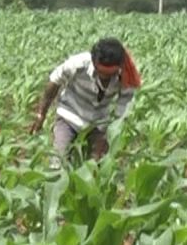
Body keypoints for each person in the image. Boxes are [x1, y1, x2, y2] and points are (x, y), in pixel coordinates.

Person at [28, 37, 141, 165]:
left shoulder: (126, 75)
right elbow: (55, 81)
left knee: (96, 166)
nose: (104, 77)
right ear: (94, 61)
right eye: (101, 72)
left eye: (109, 75)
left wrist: (112, 133)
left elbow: (124, 104)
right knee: (58, 163)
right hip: (69, 116)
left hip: (98, 123)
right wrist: (41, 114)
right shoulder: (78, 64)